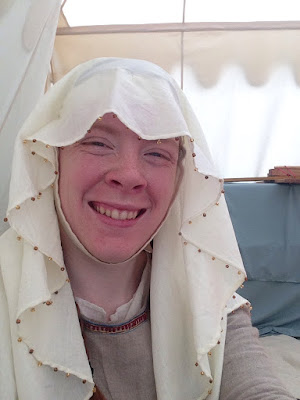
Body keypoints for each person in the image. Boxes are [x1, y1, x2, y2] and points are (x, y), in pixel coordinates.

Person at [0, 58, 295, 400]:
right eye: (97, 142)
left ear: (179, 179)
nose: (128, 175)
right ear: (52, 158)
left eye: (157, 153)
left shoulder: (208, 301)